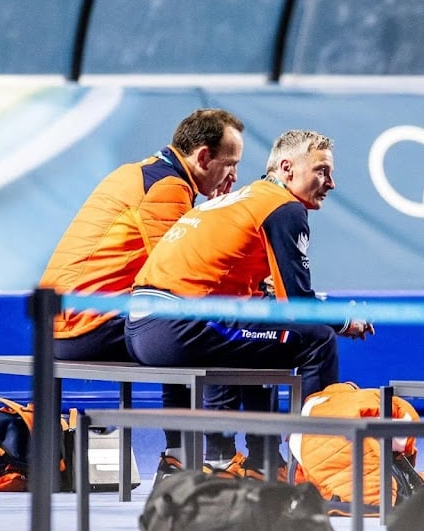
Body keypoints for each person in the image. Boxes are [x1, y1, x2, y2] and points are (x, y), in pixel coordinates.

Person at [126, 129, 373, 481]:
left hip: (142, 327)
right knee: (316, 339)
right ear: (287, 169)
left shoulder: (240, 199)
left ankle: (255, 460)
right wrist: (343, 318)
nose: (330, 183)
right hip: (177, 326)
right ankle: (319, 464)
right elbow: (298, 305)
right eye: (321, 170)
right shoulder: (283, 207)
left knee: (261, 333)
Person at [39, 108, 244, 361]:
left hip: (60, 324)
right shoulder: (166, 188)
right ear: (202, 157)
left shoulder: (143, 173)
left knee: (180, 325)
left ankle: (182, 402)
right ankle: (200, 403)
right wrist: (218, 212)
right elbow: (185, 277)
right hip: (82, 327)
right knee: (197, 330)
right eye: (230, 164)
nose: (234, 176)